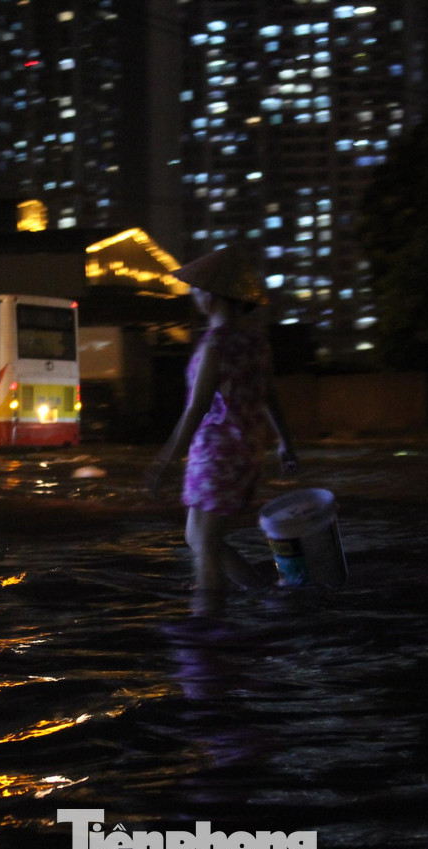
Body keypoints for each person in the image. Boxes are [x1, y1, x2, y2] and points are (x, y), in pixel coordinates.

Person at [146, 246, 299, 614]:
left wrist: (165, 459)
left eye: (197, 290)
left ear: (211, 296)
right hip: (246, 452)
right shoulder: (257, 343)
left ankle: (207, 625)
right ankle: (263, 590)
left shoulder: (215, 345)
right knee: (197, 537)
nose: (194, 296)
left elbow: (197, 409)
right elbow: (270, 396)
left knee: (205, 545)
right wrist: (285, 444)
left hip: (216, 454)